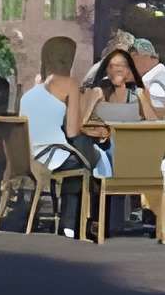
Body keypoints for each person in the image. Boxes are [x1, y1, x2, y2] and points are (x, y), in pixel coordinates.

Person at [19, 35, 105, 234]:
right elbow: (73, 130)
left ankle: (70, 223)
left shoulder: (32, 91)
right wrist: (92, 100)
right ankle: (72, 224)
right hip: (50, 156)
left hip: (28, 157)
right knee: (88, 158)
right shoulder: (69, 83)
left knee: (78, 155)